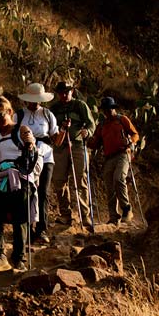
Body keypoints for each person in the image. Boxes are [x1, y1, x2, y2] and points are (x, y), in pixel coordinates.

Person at [0, 96, 43, 273]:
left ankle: (19, 259)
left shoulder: (22, 130)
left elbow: (32, 151)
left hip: (20, 179)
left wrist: (29, 146)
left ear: (9, 112)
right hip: (1, 180)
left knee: (20, 220)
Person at [17, 83, 60, 245]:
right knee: (27, 191)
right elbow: (14, 134)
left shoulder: (48, 115)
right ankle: (26, 227)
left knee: (43, 192)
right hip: (27, 156)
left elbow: (55, 138)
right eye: (32, 100)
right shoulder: (20, 115)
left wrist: (62, 131)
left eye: (37, 100)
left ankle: (42, 229)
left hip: (46, 155)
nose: (35, 103)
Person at [50, 80, 96, 226]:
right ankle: (65, 214)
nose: (64, 95)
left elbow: (91, 123)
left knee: (80, 180)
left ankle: (85, 215)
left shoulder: (80, 105)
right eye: (61, 93)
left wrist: (87, 132)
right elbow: (50, 127)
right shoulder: (54, 108)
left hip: (77, 145)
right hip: (59, 147)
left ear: (72, 92)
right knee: (59, 181)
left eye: (66, 92)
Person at [87, 96, 140, 224]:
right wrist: (88, 139)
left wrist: (130, 141)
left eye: (110, 108)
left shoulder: (122, 120)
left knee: (119, 178)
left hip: (123, 153)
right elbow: (95, 143)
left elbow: (135, 134)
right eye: (105, 109)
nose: (108, 111)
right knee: (109, 185)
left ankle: (127, 209)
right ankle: (113, 215)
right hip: (109, 157)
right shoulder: (102, 126)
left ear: (114, 108)